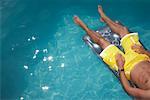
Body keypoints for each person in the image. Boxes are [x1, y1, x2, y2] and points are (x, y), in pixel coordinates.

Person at [73, 5, 150, 99]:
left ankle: (84, 27)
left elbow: (128, 90)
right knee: (124, 30)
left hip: (127, 67)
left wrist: (121, 67)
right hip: (142, 56)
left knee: (102, 42)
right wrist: (144, 51)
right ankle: (104, 18)